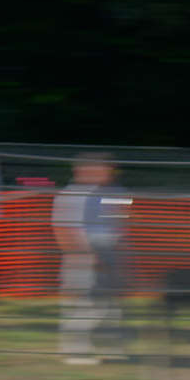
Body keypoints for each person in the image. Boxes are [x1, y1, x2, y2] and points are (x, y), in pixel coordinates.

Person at [52, 154, 128, 362]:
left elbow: (120, 222)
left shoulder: (116, 191)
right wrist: (83, 256)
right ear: (81, 170)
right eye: (99, 169)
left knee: (112, 306)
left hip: (109, 252)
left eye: (107, 169)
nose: (106, 173)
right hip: (83, 255)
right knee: (89, 305)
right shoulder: (70, 195)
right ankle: (74, 352)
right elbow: (63, 230)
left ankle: (113, 349)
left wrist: (118, 251)